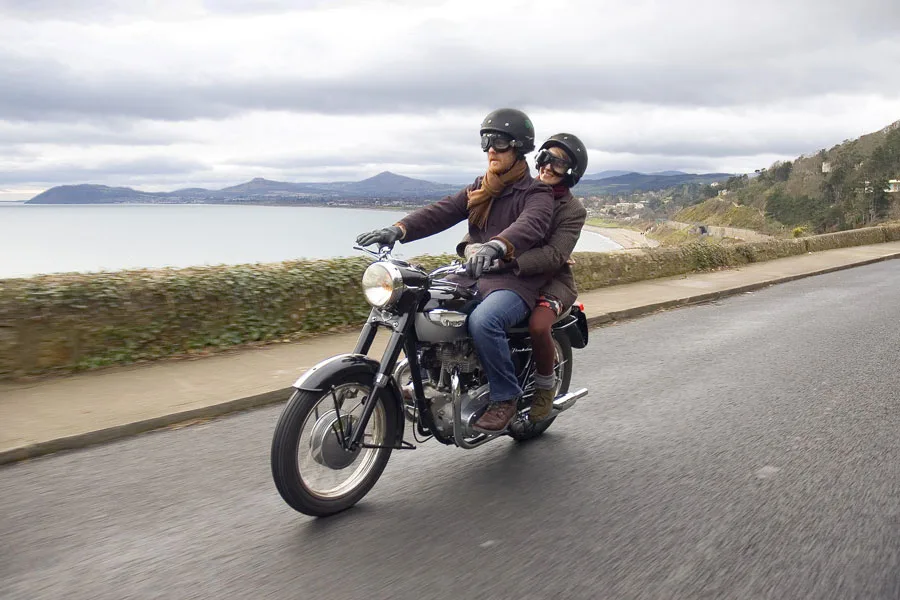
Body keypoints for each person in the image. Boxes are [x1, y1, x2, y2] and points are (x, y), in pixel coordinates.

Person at [356, 108, 554, 432]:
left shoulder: (537, 193)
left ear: (518, 147)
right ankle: (424, 378)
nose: (490, 149)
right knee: (417, 303)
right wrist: (399, 229)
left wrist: (497, 245)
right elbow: (443, 211)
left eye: (499, 142)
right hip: (473, 275)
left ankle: (506, 398)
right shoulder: (481, 188)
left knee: (484, 321)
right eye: (486, 142)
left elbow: (530, 225)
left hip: (514, 281)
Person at [458, 133, 588, 423]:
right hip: (509, 276)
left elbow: (555, 254)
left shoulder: (572, 210)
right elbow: (484, 230)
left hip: (551, 280)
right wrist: (471, 248)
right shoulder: (517, 191)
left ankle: (544, 386)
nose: (548, 167)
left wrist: (504, 259)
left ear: (571, 172)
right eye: (545, 158)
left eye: (559, 163)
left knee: (538, 325)